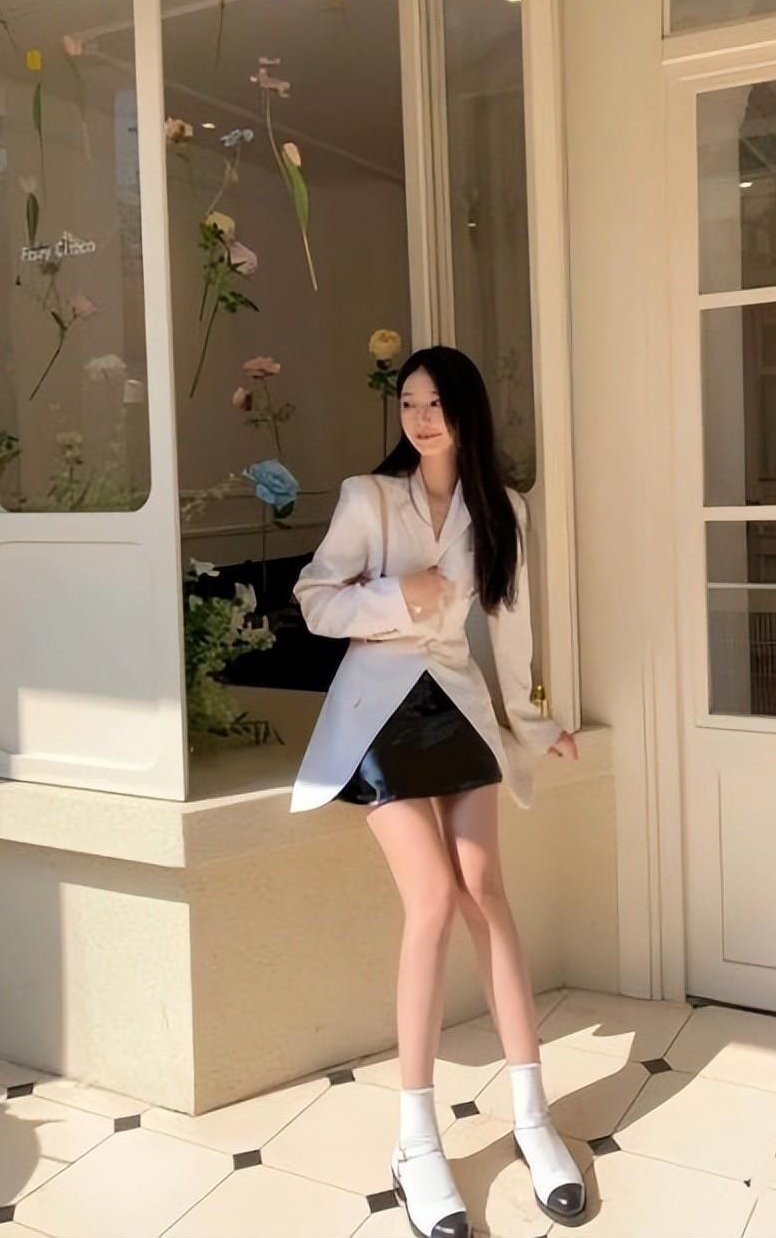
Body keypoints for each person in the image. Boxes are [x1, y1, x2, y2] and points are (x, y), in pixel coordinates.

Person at [289, 345, 585, 1238]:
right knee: (430, 900)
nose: (419, 418)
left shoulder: (504, 509)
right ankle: (416, 1142)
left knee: (484, 890)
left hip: (455, 706)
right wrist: (400, 594)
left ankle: (533, 1117)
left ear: (465, 412)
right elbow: (316, 600)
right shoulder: (369, 498)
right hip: (378, 714)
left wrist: (536, 723)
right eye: (408, 403)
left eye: (434, 403)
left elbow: (512, 628)